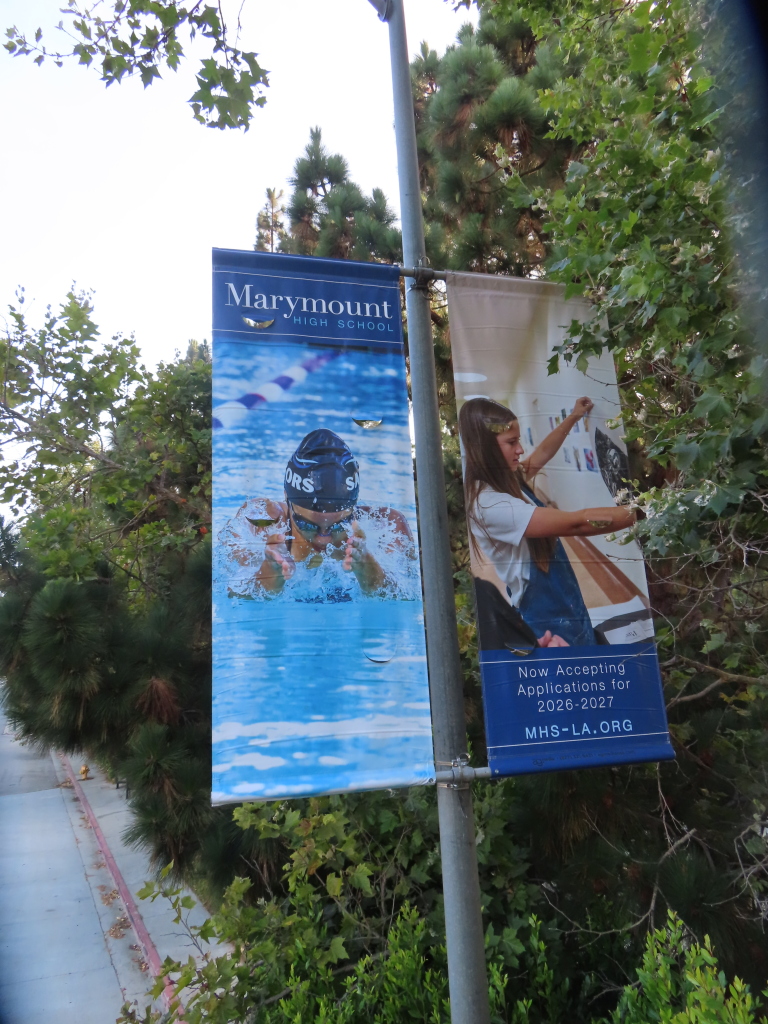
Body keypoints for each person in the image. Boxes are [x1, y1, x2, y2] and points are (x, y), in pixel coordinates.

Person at [459, 397, 636, 648]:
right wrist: (643, 512)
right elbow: (576, 524)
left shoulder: (505, 477)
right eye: (511, 442)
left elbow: (541, 454)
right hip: (546, 616)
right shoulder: (489, 504)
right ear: (484, 447)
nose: (520, 450)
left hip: (563, 599)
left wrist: (574, 416)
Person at [222, 428, 416, 599]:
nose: (323, 539)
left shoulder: (386, 526)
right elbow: (231, 594)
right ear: (287, 500)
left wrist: (369, 571)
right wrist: (270, 572)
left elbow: (410, 599)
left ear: (353, 507)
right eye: (307, 525)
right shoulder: (261, 521)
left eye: (339, 525)